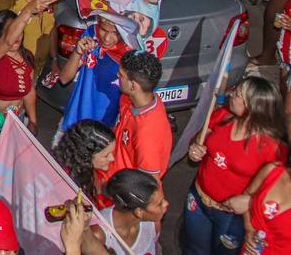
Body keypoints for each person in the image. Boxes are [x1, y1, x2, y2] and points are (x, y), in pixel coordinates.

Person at [181, 75, 287, 254]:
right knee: (193, 249)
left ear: (252, 106)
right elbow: (199, 139)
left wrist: (252, 202)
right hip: (199, 199)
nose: (231, 95)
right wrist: (195, 149)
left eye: (238, 94)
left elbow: (280, 190)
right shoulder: (222, 115)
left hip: (231, 216)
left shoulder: (273, 147)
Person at [105, 51, 171, 186]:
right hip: (109, 173)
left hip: (118, 188)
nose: (117, 76)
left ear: (133, 86)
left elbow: (149, 186)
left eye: (121, 75)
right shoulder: (129, 98)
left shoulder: (147, 135)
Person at [91, 169, 168, 254]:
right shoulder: (99, 235)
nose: (166, 204)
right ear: (139, 212)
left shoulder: (153, 223)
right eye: (159, 204)